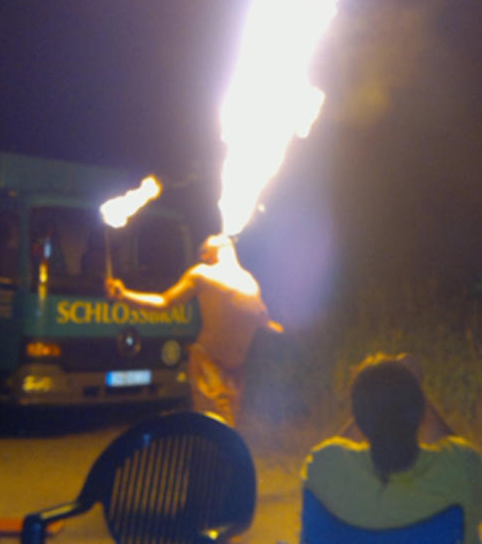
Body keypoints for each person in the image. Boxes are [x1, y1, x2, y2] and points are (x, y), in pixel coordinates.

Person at [106, 233, 283, 426]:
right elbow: (165, 301)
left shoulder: (249, 280)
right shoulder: (202, 274)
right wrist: (125, 296)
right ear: (206, 254)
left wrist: (282, 331)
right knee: (214, 429)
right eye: (209, 240)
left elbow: (262, 318)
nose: (216, 235)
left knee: (229, 432)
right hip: (208, 365)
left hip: (235, 372)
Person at [302, 354, 482, 543]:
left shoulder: (323, 466)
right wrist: (412, 390)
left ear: (360, 418)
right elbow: (461, 459)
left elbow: (352, 433)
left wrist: (375, 398)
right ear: (419, 410)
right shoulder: (462, 469)